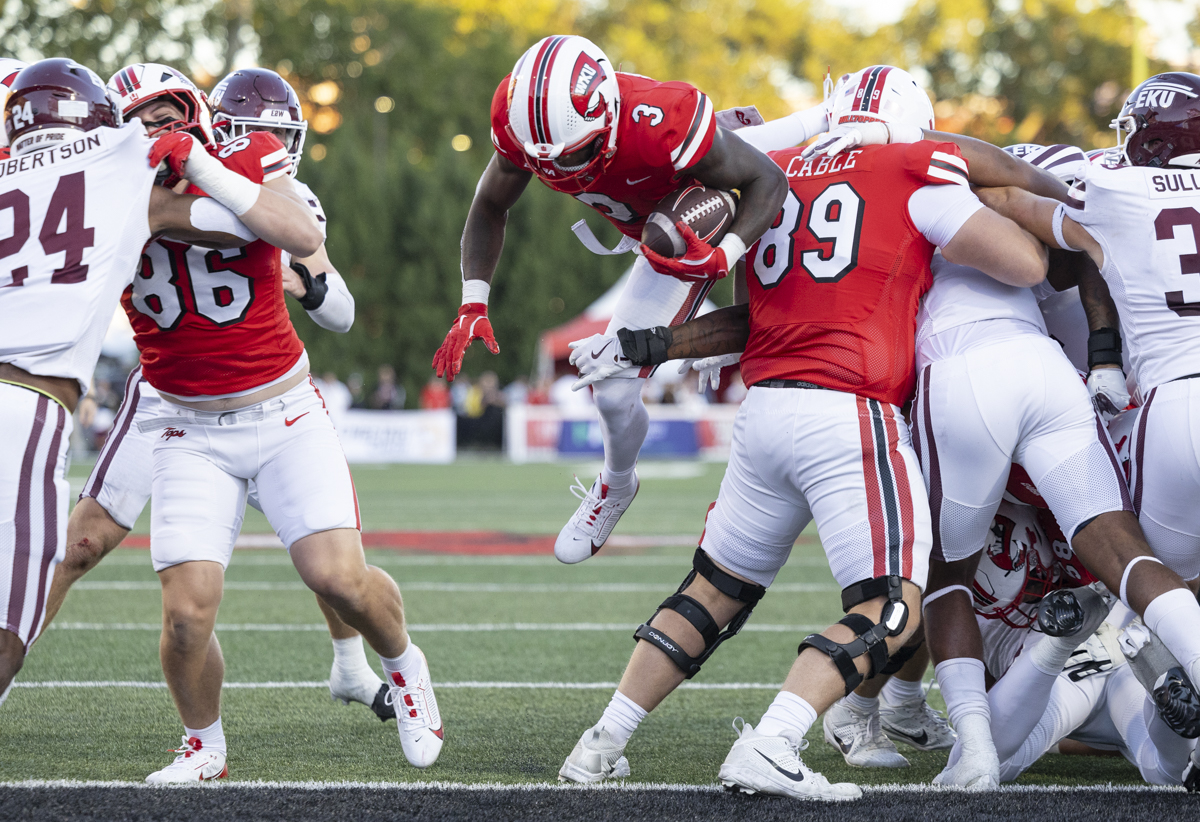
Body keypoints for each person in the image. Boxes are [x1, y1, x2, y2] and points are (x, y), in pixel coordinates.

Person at [562, 65, 1050, 799]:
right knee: (891, 607)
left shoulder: (775, 169)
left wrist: (655, 343)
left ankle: (600, 743)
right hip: (848, 410)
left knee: (712, 591)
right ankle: (776, 740)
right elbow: (1022, 260)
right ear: (909, 117)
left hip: (763, 414)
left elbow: (757, 317)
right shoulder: (908, 159)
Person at [828, 70, 1200, 789]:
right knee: (1135, 565)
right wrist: (1099, 353)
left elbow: (1024, 215)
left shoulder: (1089, 186)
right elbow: (1048, 249)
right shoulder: (1082, 191)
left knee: (938, 567)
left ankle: (906, 709)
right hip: (1070, 386)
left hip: (1014, 386)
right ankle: (894, 699)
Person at [40, 64, 394, 726]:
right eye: (262, 133)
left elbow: (335, 301)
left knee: (319, 545)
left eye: (175, 116)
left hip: (262, 389)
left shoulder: (259, 180)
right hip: (170, 399)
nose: (276, 148)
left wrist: (308, 281)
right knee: (81, 544)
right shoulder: (113, 189)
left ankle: (351, 665)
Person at [0, 56, 321, 706]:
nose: (152, 128)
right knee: (19, 600)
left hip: (239, 396)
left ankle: (351, 660)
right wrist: (232, 175)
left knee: (327, 552)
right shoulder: (130, 176)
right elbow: (287, 229)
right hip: (48, 403)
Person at [433, 34, 793, 565]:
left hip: (700, 209)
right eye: (542, 160)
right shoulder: (522, 121)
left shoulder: (663, 119)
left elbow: (767, 179)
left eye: (573, 151)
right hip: (647, 223)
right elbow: (489, 203)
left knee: (622, 366)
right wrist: (472, 301)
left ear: (607, 111)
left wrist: (725, 257)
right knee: (612, 391)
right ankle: (617, 484)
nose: (558, 169)